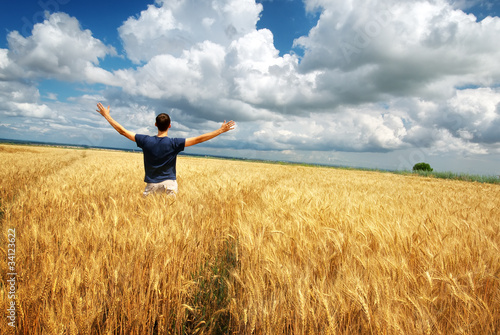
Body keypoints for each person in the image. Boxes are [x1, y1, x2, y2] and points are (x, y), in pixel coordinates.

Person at [96, 103, 235, 197]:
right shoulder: (175, 143)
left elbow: (123, 131)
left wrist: (107, 116)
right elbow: (199, 139)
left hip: (151, 185)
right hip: (169, 184)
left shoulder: (145, 140)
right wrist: (220, 130)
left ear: (156, 124)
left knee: (148, 223)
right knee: (169, 222)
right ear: (170, 126)